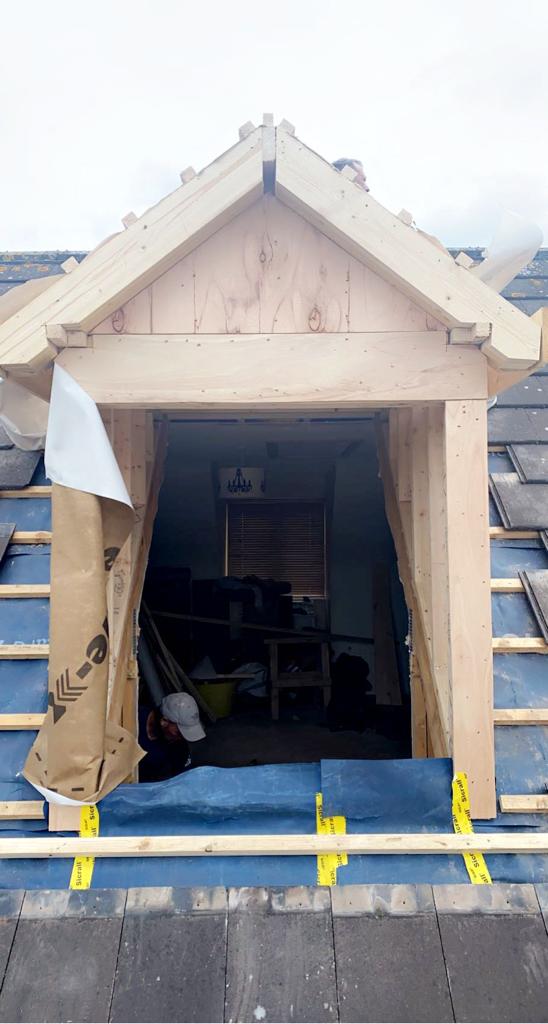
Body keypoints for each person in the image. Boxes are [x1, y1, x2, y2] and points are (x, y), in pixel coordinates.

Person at [138, 692, 205, 782]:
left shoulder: (179, 746)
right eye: (179, 732)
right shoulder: (132, 719)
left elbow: (184, 778)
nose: (182, 738)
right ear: (164, 721)